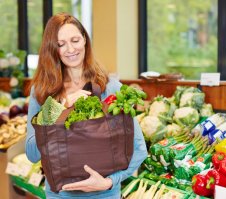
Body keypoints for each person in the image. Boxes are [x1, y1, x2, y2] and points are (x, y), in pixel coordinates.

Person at [25, 12, 148, 199]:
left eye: (75, 40)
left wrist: (109, 182)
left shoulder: (111, 88)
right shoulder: (41, 92)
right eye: (61, 44)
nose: (70, 49)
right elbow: (32, 154)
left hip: (105, 195)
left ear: (84, 40)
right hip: (59, 195)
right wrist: (61, 107)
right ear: (52, 49)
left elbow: (139, 149)